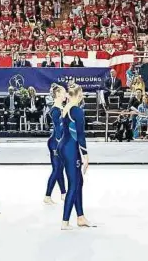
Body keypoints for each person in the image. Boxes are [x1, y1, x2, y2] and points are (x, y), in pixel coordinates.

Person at [60, 85, 94, 230]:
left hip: (65, 146)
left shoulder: (66, 108)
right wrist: (85, 155)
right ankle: (65, 221)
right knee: (73, 184)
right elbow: (80, 135)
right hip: (71, 149)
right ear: (79, 95)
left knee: (78, 182)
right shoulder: (77, 111)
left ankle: (80, 217)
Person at [44, 84, 66, 205]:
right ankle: (47, 196)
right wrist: (59, 146)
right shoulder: (56, 110)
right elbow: (58, 130)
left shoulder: (61, 108)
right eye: (63, 92)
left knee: (59, 169)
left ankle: (63, 193)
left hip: (58, 141)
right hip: (55, 142)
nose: (65, 94)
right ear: (58, 95)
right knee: (57, 169)